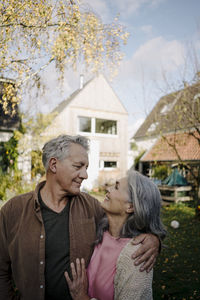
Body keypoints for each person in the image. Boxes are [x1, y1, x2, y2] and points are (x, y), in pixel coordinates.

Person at [0, 135, 160, 300]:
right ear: (53, 165)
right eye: (78, 166)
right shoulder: (13, 210)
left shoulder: (92, 207)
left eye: (86, 167)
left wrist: (153, 239)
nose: (85, 175)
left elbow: (127, 222)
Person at [65, 170, 166, 300]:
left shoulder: (137, 256)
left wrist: (81, 297)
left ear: (130, 207)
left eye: (116, 187)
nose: (108, 189)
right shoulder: (100, 232)